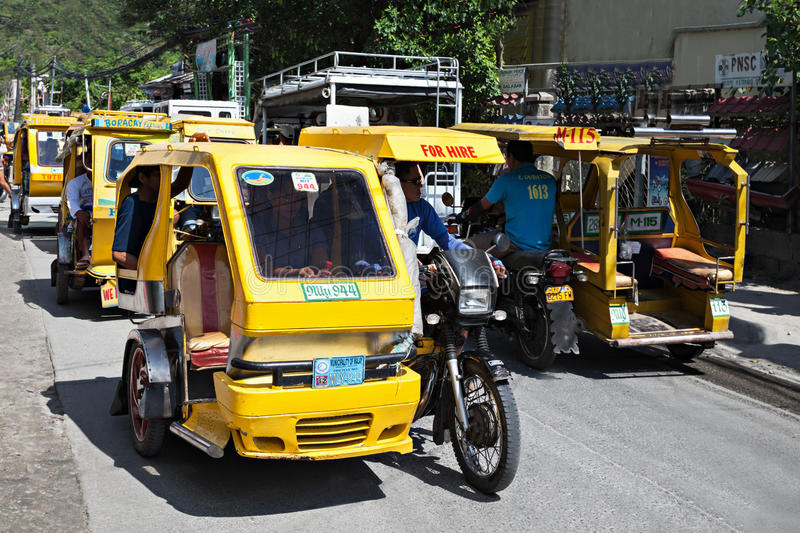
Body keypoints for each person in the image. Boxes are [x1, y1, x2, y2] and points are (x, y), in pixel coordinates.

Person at [397, 161, 505, 277]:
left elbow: (446, 240)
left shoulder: (421, 207)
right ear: (398, 183)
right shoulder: (382, 206)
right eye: (416, 181)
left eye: (421, 180)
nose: (422, 185)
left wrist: (486, 259)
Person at [462, 140, 557, 256]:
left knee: (467, 245)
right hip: (544, 247)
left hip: (515, 245)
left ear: (511, 156)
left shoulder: (506, 180)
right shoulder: (550, 180)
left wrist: (461, 217)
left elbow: (480, 207)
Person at [113, 166, 192, 291]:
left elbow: (181, 183)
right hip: (139, 285)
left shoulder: (159, 199)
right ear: (142, 178)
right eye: (158, 176)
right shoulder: (131, 205)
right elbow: (119, 254)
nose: (163, 180)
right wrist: (151, 273)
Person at [65, 159, 93, 266]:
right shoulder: (76, 183)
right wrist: (80, 213)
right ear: (87, 163)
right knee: (82, 220)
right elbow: (73, 202)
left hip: (104, 211)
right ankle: (85, 254)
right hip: (84, 211)